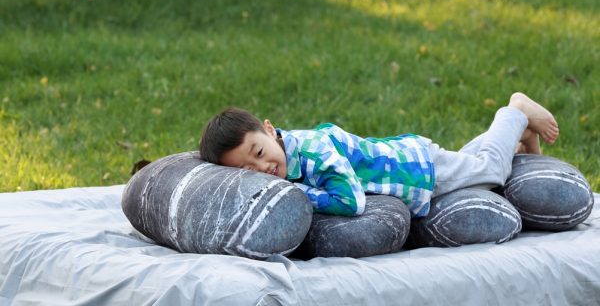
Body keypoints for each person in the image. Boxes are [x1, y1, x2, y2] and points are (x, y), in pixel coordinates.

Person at [198, 92, 558, 218]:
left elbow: (352, 202)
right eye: (248, 169)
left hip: (419, 171)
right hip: (412, 164)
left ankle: (514, 111)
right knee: (472, 165)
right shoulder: (289, 158)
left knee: (490, 171)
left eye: (260, 152)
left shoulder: (314, 152)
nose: (263, 167)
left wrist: (296, 194)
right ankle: (519, 138)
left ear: (271, 130)